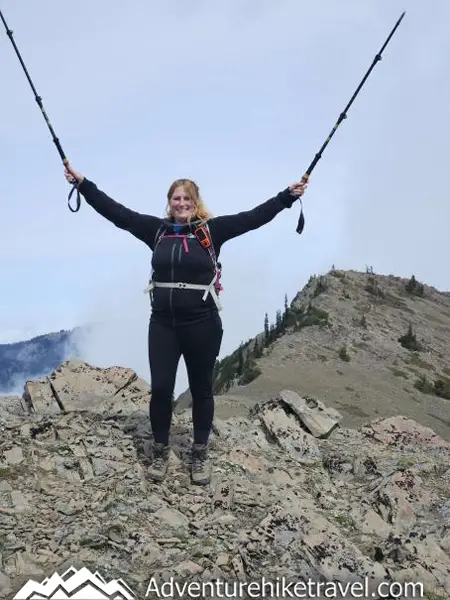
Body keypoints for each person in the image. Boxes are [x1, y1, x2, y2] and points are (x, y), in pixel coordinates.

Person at [64, 164, 308, 485]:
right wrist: (84, 185)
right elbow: (116, 213)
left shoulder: (212, 231)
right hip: (163, 325)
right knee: (162, 389)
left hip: (202, 324)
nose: (181, 203)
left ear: (196, 202)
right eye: (176, 198)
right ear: (170, 202)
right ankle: (161, 451)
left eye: (187, 198)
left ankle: (200, 454)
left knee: (202, 389)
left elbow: (253, 217)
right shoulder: (157, 231)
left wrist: (287, 197)